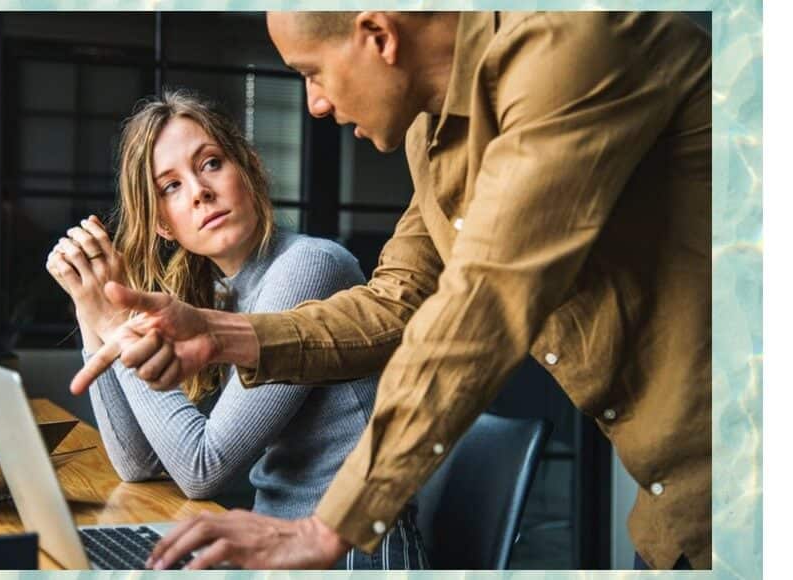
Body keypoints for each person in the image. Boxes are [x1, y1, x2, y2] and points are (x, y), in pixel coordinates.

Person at [74, 12, 711, 570]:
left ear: (377, 35)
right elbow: (396, 303)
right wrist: (215, 334)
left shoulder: (567, 46)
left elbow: (481, 307)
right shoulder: (431, 135)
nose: (315, 103)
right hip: (672, 511)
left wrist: (332, 527)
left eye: (312, 71)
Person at [45, 90, 428, 570]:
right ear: (164, 225)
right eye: (171, 187)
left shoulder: (308, 267)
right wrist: (90, 310)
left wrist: (117, 325)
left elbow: (201, 468)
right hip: (274, 549)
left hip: (353, 557)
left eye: (210, 164)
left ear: (249, 169)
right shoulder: (223, 291)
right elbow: (137, 465)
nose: (199, 192)